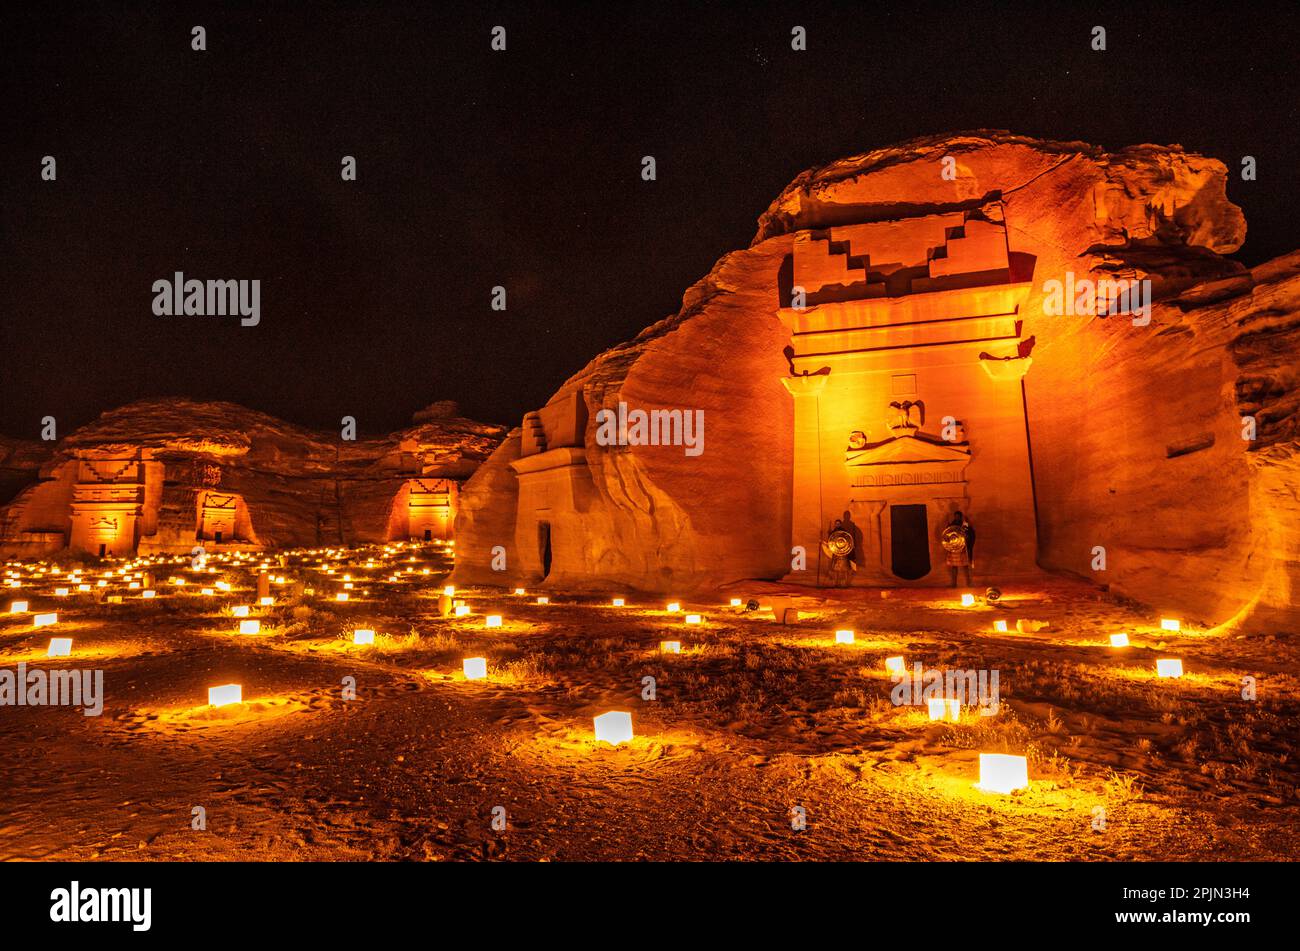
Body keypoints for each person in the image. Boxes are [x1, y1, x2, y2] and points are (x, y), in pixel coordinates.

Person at [944, 511, 975, 587]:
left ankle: (969, 583)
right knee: (954, 566)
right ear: (954, 517)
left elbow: (969, 533)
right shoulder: (951, 526)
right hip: (954, 549)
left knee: (965, 566)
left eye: (958, 516)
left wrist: (967, 535)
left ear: (960, 517)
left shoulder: (964, 525)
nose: (957, 517)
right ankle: (954, 584)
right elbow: (947, 536)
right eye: (956, 516)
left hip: (963, 548)